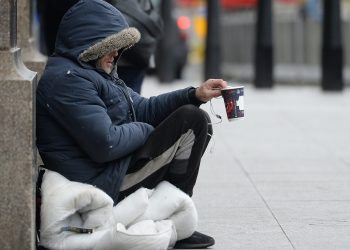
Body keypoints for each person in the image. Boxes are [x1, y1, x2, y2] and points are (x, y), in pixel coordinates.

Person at [36, 0, 227, 249]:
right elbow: (107, 143)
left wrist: (194, 94)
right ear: (92, 45)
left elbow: (143, 108)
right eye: (112, 46)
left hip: (109, 170)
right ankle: (173, 219)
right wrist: (147, 130)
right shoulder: (68, 81)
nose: (117, 54)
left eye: (120, 47)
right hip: (101, 180)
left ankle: (172, 211)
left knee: (193, 116)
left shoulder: (92, 72)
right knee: (192, 122)